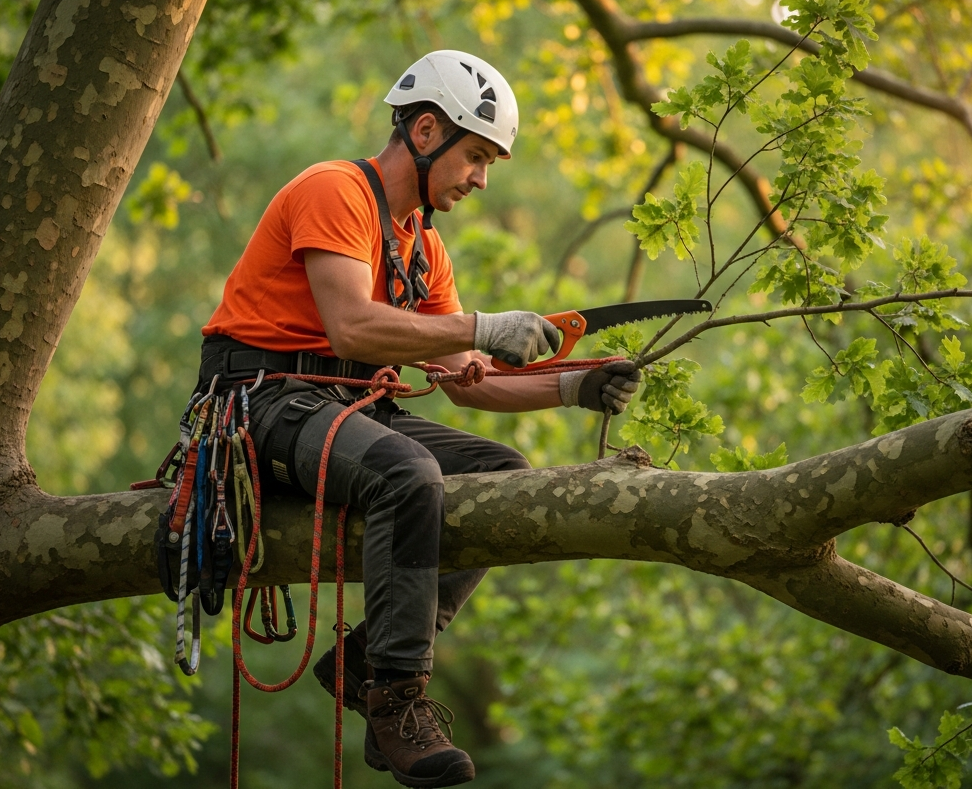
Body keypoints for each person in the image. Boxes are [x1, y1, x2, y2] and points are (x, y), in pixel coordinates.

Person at [193, 50, 641, 787]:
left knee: (505, 475)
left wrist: (575, 386)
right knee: (408, 473)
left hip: (352, 407)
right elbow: (352, 330)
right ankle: (399, 698)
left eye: (490, 164)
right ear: (426, 130)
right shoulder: (335, 190)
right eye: (475, 157)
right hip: (263, 403)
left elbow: (471, 381)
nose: (480, 180)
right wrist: (479, 326)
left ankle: (367, 661)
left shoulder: (422, 247)